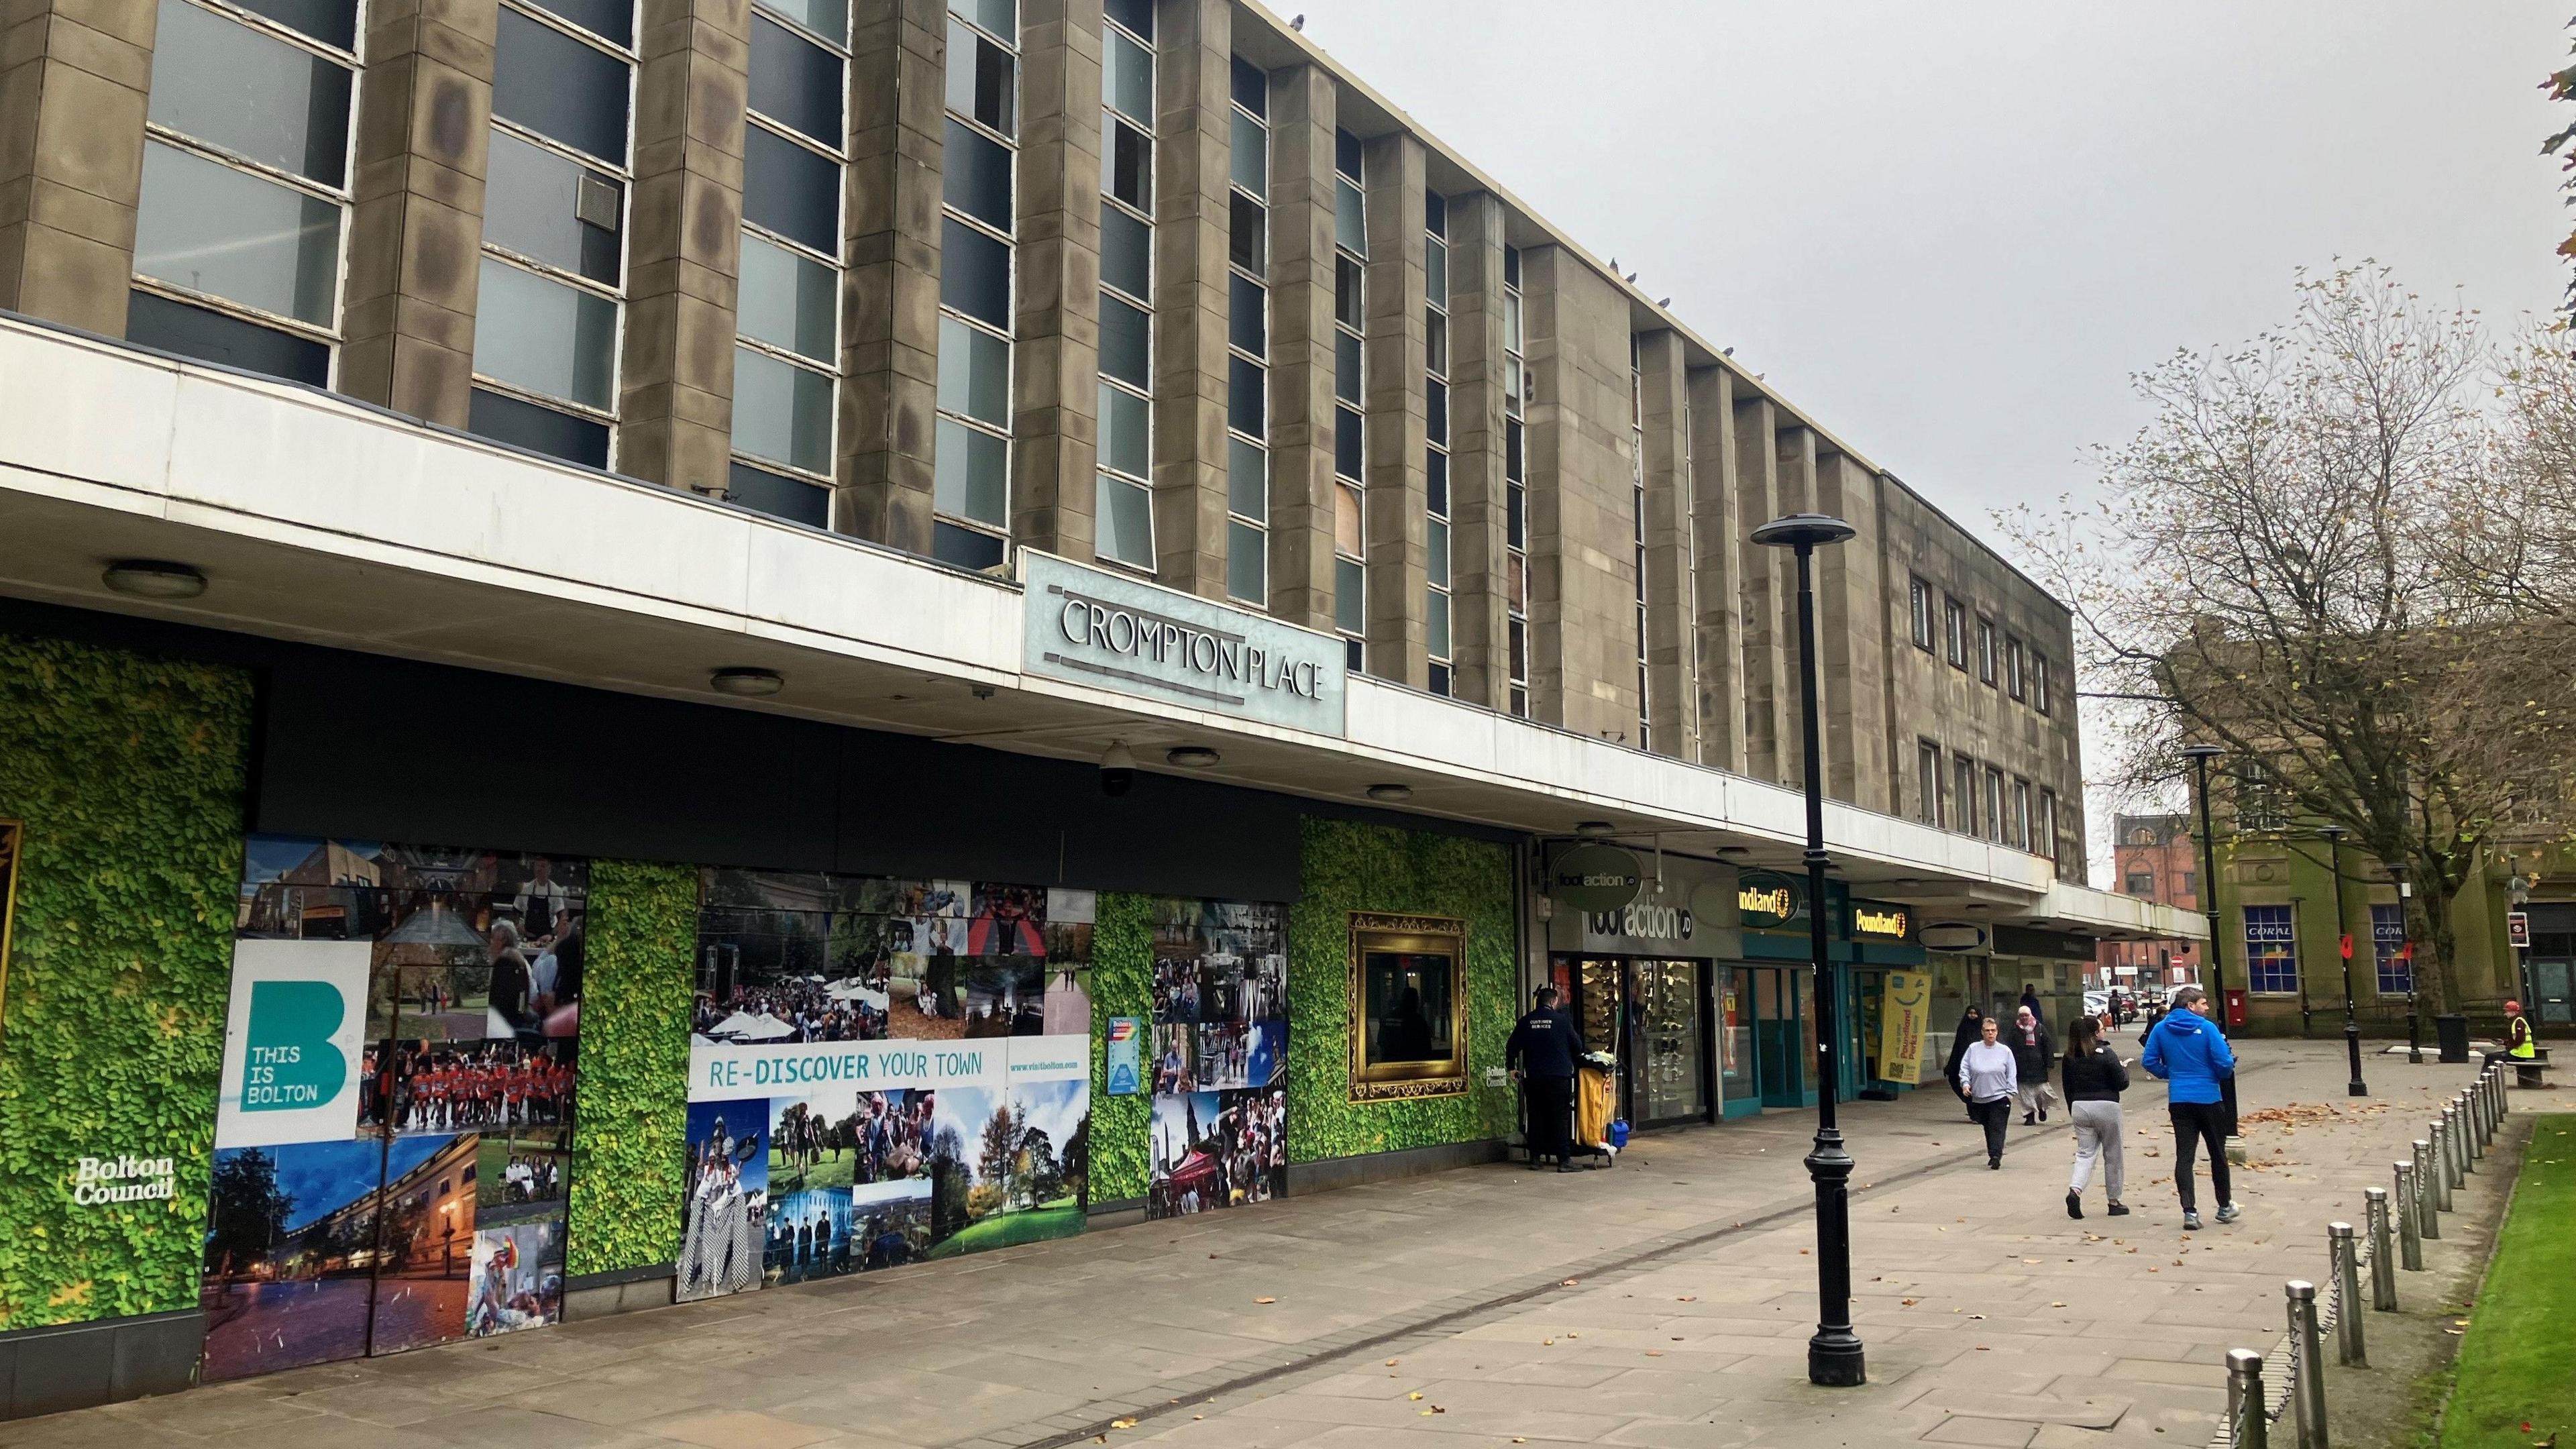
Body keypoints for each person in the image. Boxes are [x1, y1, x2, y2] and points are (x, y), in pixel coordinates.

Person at [2141, 984, 2240, 1230]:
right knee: (2218, 1153)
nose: (2207, 1008)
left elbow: (2149, 1061)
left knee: (2184, 1157)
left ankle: (2190, 1212)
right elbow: (2224, 1063)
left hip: (2180, 1100)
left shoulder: (2161, 1029)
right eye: (2204, 1004)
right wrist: (2219, 1073)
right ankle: (2224, 1206)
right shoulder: (2207, 1029)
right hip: (2209, 1098)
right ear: (2191, 1006)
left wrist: (2171, 1074)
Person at [1507, 984, 1586, 1172]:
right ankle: (1564, 1161)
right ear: (1554, 1001)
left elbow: (1511, 1046)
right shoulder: (1562, 1021)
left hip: (1534, 1078)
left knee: (1535, 1117)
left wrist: (1511, 1068)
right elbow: (1578, 1046)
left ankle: (1535, 1159)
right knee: (1560, 1118)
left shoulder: (1526, 1021)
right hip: (1559, 1078)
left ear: (1538, 1002)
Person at [2061, 1014, 2131, 1220]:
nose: (2104, 1032)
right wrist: (2123, 1069)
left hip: (2080, 1107)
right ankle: (2114, 1201)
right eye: (2102, 1029)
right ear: (2094, 1034)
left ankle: (2076, 1190)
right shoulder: (2106, 1053)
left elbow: (2067, 1086)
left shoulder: (2069, 1056)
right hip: (2107, 1105)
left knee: (2085, 1153)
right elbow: (2122, 1083)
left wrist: (2072, 1108)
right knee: (2113, 1154)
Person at [1956, 1016, 2018, 1169]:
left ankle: (1996, 1155)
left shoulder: (2005, 1051)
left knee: (1997, 1127)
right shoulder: (1973, 1049)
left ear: (1997, 1032)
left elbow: (2012, 1073)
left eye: (1993, 1030)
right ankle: (1993, 1152)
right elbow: (1964, 1068)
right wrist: (1965, 1084)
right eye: (1987, 1031)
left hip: (2000, 1097)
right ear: (1982, 1033)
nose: (1991, 1033)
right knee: (1988, 1127)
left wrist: (2010, 1094)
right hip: (1980, 1097)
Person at [2007, 1006, 2056, 1124]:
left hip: (2038, 1066)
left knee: (2040, 1092)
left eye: (2026, 1015)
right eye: (2022, 1015)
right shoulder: (2014, 1030)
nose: (2024, 1018)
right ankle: (2029, 1117)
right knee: (2025, 1093)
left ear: (2031, 1016)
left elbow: (2048, 1046)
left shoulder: (2039, 1028)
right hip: (2021, 1067)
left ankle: (2042, 1108)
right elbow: (2009, 1048)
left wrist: (2049, 1063)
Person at [1941, 1006, 1986, 1122]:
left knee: (1979, 1090)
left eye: (1975, 1013)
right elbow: (1957, 1047)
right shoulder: (1963, 1028)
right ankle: (1974, 1115)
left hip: (1979, 1066)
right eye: (1970, 1013)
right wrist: (1951, 1065)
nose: (1972, 1016)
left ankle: (1981, 1114)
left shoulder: (1983, 1030)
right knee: (1967, 1090)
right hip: (1964, 1064)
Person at [2505, 1000, 2537, 1064]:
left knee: (2491, 1057)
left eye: (2507, 1011)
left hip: (2520, 1054)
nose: (2506, 1013)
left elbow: (2520, 1039)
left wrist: (2509, 1047)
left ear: (2513, 1012)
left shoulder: (2518, 1022)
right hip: (2521, 1053)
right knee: (2492, 1057)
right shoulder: (2516, 1021)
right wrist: (2504, 1042)